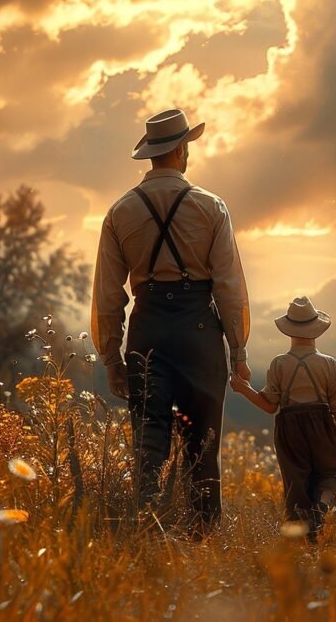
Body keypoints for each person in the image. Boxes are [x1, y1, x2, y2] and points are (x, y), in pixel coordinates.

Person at [90, 108, 251, 538]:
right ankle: (203, 535)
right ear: (182, 150)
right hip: (199, 331)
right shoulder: (211, 207)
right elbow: (229, 286)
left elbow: (107, 294)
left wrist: (111, 358)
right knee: (203, 442)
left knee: (149, 440)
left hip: (148, 330)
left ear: (150, 153)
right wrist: (238, 350)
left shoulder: (119, 212)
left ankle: (147, 531)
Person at [230, 296, 336, 539]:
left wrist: (244, 389)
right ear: (316, 330)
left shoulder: (279, 364)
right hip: (322, 423)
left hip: (289, 427)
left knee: (297, 483)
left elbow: (269, 406)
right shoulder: (330, 364)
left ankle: (304, 538)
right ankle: (323, 506)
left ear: (289, 331)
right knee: (329, 475)